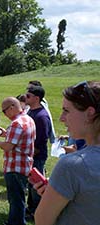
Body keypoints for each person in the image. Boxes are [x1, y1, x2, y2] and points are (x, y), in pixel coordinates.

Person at [34, 81, 100, 225]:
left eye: (66, 111)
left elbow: (42, 220)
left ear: (89, 113)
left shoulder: (73, 165)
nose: (61, 118)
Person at [0, 97, 36, 225]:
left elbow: (8, 146)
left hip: (15, 166)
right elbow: (21, 139)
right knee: (19, 196)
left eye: (4, 111)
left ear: (12, 108)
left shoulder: (16, 123)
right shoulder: (28, 119)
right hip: (25, 164)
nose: (5, 115)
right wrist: (7, 134)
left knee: (16, 199)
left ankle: (16, 222)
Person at [25, 85, 51, 219]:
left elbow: (41, 141)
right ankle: (30, 208)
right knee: (31, 184)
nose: (25, 98)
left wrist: (29, 154)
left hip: (37, 156)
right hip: (30, 155)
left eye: (28, 96)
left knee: (37, 185)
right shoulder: (30, 112)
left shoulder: (41, 116)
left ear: (36, 98)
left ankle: (37, 211)